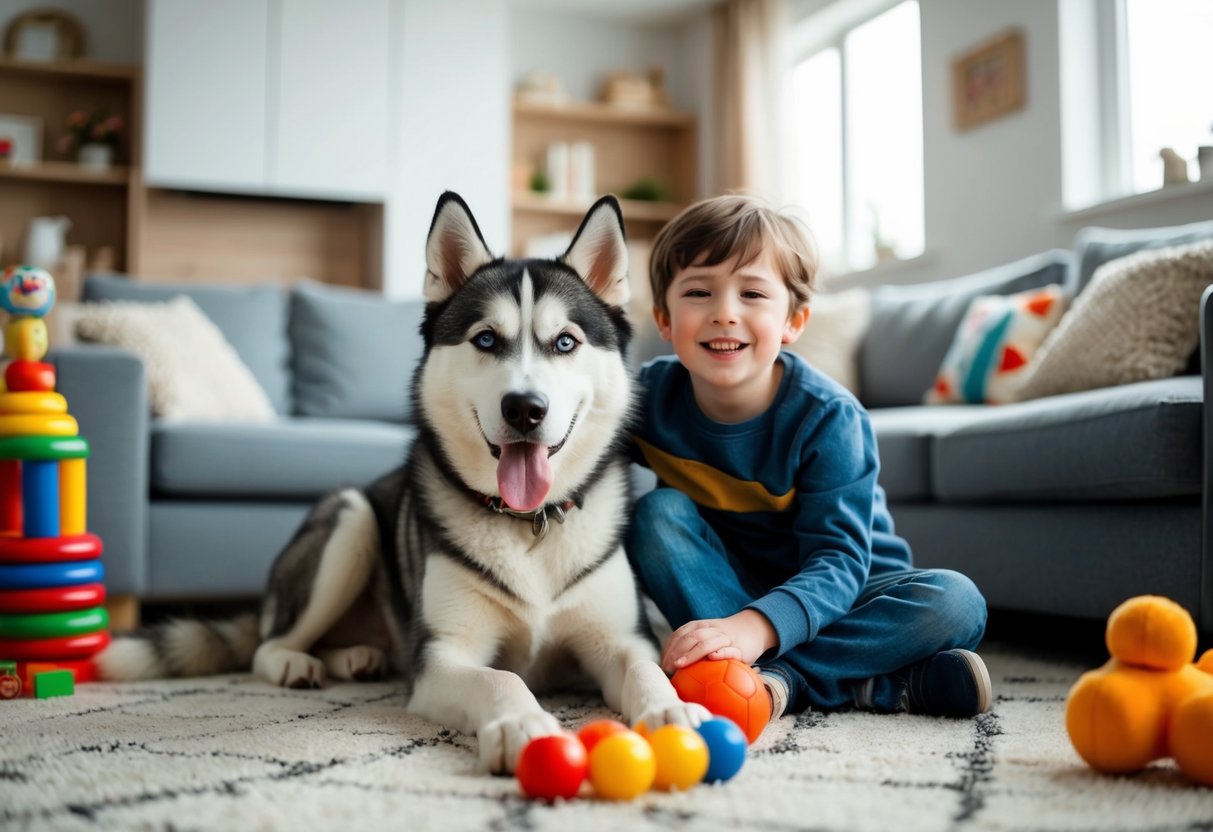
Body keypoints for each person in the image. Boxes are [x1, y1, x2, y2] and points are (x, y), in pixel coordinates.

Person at [626, 194, 991, 722]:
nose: (724, 313)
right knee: (656, 518)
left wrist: (754, 629)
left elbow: (839, 563)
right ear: (663, 318)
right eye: (699, 292)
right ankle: (880, 682)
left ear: (794, 321)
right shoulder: (645, 398)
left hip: (843, 591)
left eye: (752, 294)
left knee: (957, 601)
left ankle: (783, 681)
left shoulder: (828, 417)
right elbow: (577, 445)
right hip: (728, 588)